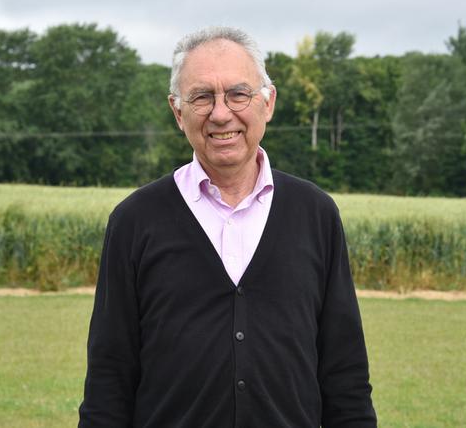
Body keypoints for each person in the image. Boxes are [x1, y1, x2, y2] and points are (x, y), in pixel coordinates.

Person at [78, 27, 376, 427]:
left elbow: (346, 375)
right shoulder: (135, 221)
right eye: (202, 97)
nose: (221, 113)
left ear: (268, 102)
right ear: (177, 111)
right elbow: (109, 379)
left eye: (238, 94)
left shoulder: (316, 214)